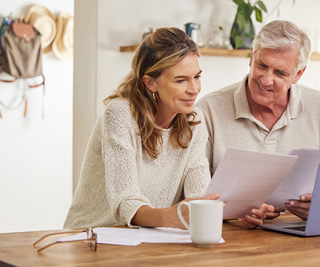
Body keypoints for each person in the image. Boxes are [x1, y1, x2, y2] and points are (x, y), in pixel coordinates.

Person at [197, 20, 320, 228]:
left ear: (298, 74)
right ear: (251, 57)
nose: (266, 80)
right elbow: (195, 194)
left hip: (304, 239)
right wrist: (234, 212)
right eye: (262, 65)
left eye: (280, 73)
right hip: (230, 238)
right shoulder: (208, 109)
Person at [64, 27, 219, 229]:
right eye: (181, 80)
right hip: (91, 235)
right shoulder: (120, 114)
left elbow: (201, 196)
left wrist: (237, 209)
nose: (194, 90)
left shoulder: (194, 121)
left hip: (149, 237)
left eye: (197, 77)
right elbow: (125, 201)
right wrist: (170, 218)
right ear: (150, 83)